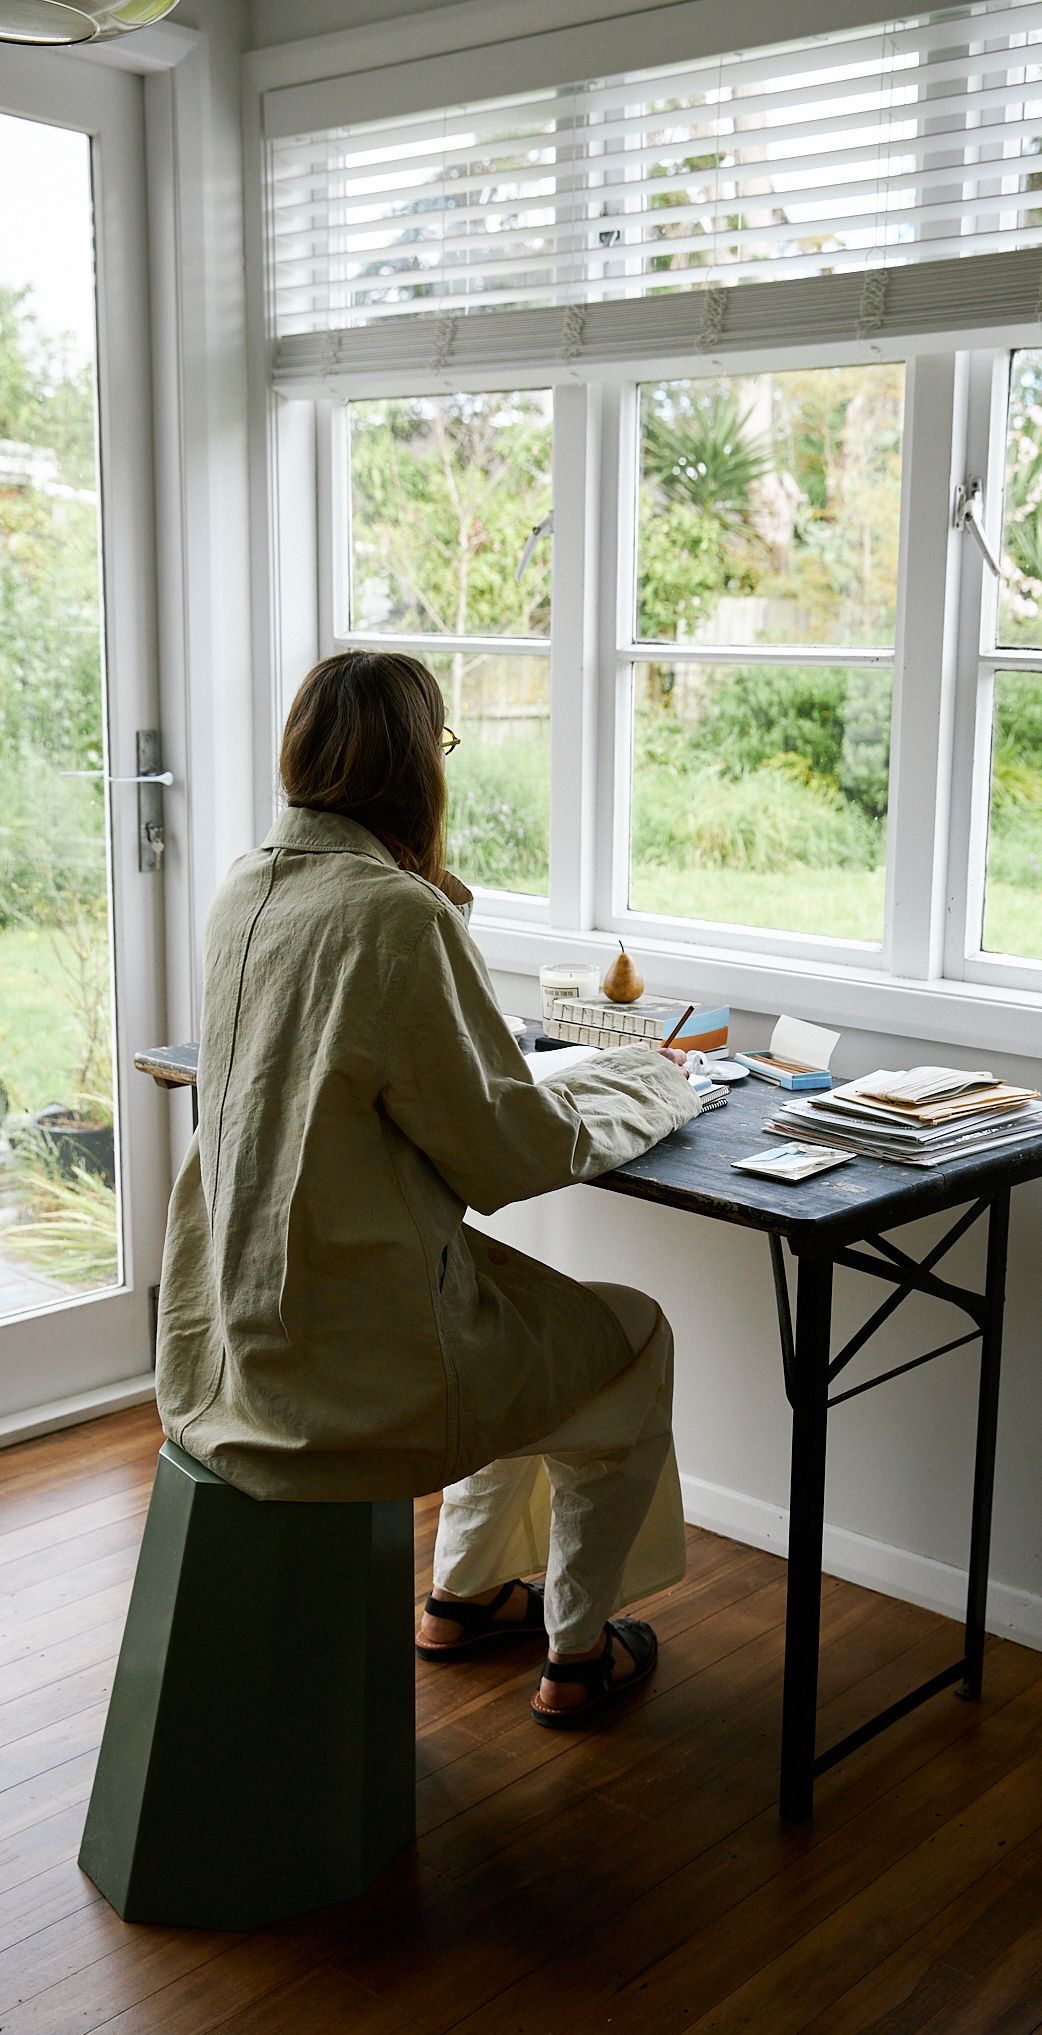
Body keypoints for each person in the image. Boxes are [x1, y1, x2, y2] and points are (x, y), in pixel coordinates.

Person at [155, 650, 702, 1723]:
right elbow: (510, 1155)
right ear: (420, 763)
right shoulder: (395, 917)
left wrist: (433, 895)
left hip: (227, 1338)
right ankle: (579, 1652)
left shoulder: (244, 887)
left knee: (523, 1320)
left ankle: (461, 1594)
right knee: (632, 1336)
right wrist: (656, 1083)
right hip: (351, 1370)